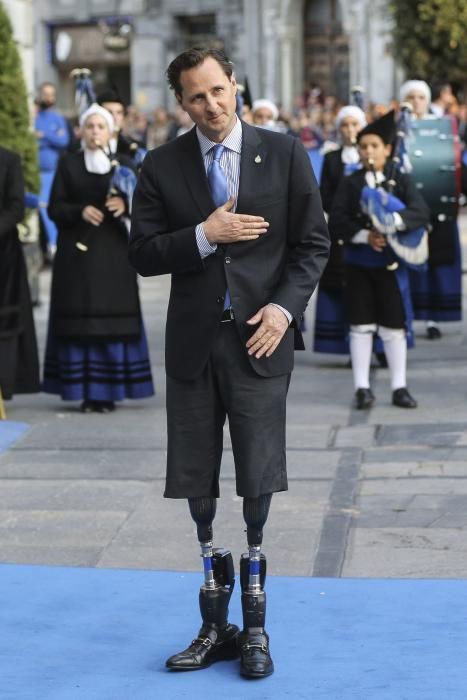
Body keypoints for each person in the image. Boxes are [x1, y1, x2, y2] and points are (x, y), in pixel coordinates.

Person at [129, 46, 329, 678]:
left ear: (235, 85)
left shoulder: (285, 151)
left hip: (259, 342)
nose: (210, 106)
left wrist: (283, 310)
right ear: (181, 104)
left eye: (217, 91)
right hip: (193, 345)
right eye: (196, 97)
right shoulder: (161, 164)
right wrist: (202, 236)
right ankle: (215, 623)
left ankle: (257, 625)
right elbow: (142, 252)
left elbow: (313, 244)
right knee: (194, 477)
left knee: (259, 475)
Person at [43, 104, 154, 412]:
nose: (94, 132)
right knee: (79, 325)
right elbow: (54, 208)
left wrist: (125, 204)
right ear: (81, 131)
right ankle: (82, 390)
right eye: (89, 126)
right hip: (76, 258)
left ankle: (109, 392)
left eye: (100, 127)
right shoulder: (68, 163)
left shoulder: (125, 164)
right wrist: (79, 211)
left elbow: (146, 209)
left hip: (114, 256)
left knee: (112, 324)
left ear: (110, 131)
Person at [329, 110, 430, 410]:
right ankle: (362, 387)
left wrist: (393, 221)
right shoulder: (351, 182)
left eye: (374, 146)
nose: (368, 151)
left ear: (388, 149)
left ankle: (399, 386)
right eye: (363, 147)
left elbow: (420, 212)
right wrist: (364, 235)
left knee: (394, 327)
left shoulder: (400, 179)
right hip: (359, 265)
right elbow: (337, 220)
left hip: (391, 266)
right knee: (360, 326)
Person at [400, 80, 463, 339]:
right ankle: (411, 315)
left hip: (438, 206)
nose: (416, 102)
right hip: (410, 209)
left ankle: (434, 318)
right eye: (411, 97)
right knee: (411, 261)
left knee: (437, 260)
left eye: (421, 97)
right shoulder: (398, 131)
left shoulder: (444, 130)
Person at [313, 104, 366, 355]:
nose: (350, 130)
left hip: (367, 230)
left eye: (355, 124)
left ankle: (374, 345)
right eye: (345, 125)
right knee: (339, 283)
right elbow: (324, 194)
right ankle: (340, 341)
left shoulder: (371, 155)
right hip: (339, 230)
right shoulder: (332, 158)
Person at [0, 147, 40, 400]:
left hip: (3, 256)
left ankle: (4, 384)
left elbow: (15, 208)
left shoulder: (9, 159)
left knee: (4, 322)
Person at [34, 82, 70, 256]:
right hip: (36, 172)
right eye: (45, 94)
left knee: (47, 207)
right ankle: (48, 244)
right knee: (39, 207)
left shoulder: (57, 118)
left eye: (52, 94)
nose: (49, 98)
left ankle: (54, 243)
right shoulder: (34, 116)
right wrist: (51, 138)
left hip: (52, 171)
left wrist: (44, 136)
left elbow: (64, 142)